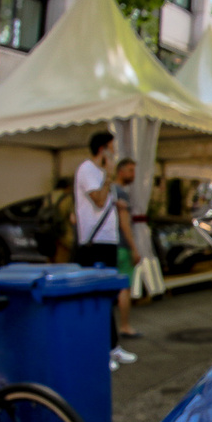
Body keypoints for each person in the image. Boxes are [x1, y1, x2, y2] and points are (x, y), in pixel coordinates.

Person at [74, 131, 135, 371]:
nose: (114, 152)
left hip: (106, 242)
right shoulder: (88, 170)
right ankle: (99, 350)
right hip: (94, 244)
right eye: (111, 147)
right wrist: (109, 175)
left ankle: (112, 346)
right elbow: (98, 199)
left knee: (107, 297)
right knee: (97, 298)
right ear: (102, 149)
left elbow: (102, 203)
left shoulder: (98, 173)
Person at [111, 157, 143, 344]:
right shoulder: (120, 193)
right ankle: (125, 325)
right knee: (124, 287)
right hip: (121, 246)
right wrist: (134, 248)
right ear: (120, 171)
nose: (133, 175)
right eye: (130, 170)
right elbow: (124, 223)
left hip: (108, 245)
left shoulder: (109, 191)